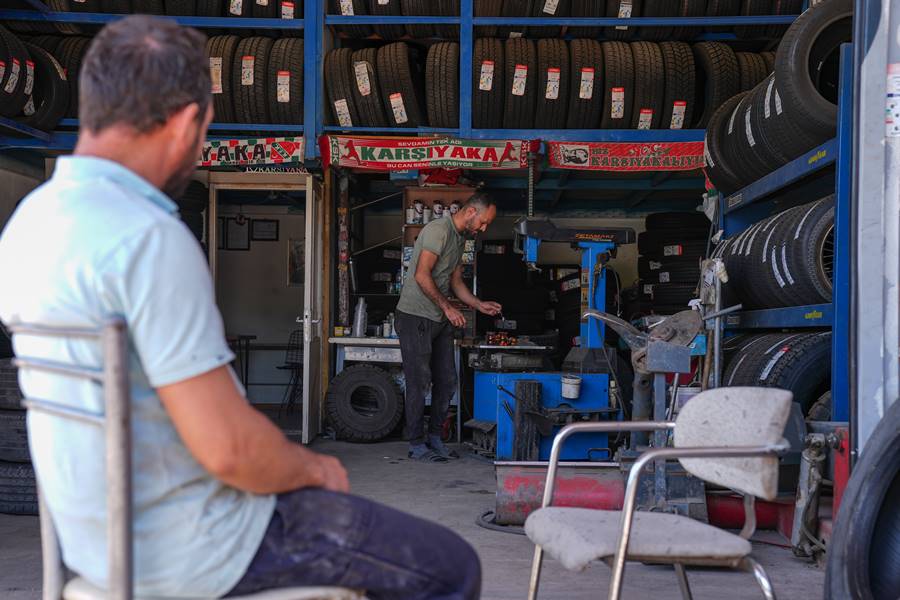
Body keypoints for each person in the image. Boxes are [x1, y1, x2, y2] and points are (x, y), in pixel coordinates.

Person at [0, 16, 480, 600]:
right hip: (201, 546)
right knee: (451, 565)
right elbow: (229, 449)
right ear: (184, 121)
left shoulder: (31, 222)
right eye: (203, 131)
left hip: (94, 540)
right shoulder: (148, 235)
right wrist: (314, 469)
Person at [396, 195, 502, 462]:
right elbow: (422, 275)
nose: (484, 228)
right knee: (419, 382)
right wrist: (448, 308)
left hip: (437, 317)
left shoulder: (461, 239)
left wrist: (478, 304)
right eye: (483, 222)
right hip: (414, 316)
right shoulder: (437, 231)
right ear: (469, 212)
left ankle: (434, 438)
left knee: (447, 380)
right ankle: (416, 443)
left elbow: (455, 281)